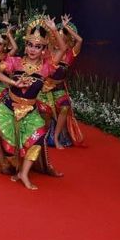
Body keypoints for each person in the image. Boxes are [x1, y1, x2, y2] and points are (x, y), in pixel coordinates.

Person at [0, 16, 66, 190]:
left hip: (30, 110)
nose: (32, 49)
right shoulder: (15, 62)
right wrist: (13, 83)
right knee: (11, 145)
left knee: (38, 136)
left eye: (38, 46)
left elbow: (63, 48)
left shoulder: (46, 66)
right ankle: (16, 168)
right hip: (8, 108)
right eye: (30, 45)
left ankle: (24, 174)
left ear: (43, 49)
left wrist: (54, 30)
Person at [40, 15, 84, 149]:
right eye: (55, 35)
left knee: (65, 107)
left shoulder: (70, 53)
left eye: (61, 35)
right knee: (44, 110)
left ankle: (57, 137)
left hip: (59, 88)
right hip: (44, 88)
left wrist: (66, 27)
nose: (57, 37)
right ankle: (43, 136)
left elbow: (80, 40)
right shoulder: (47, 52)